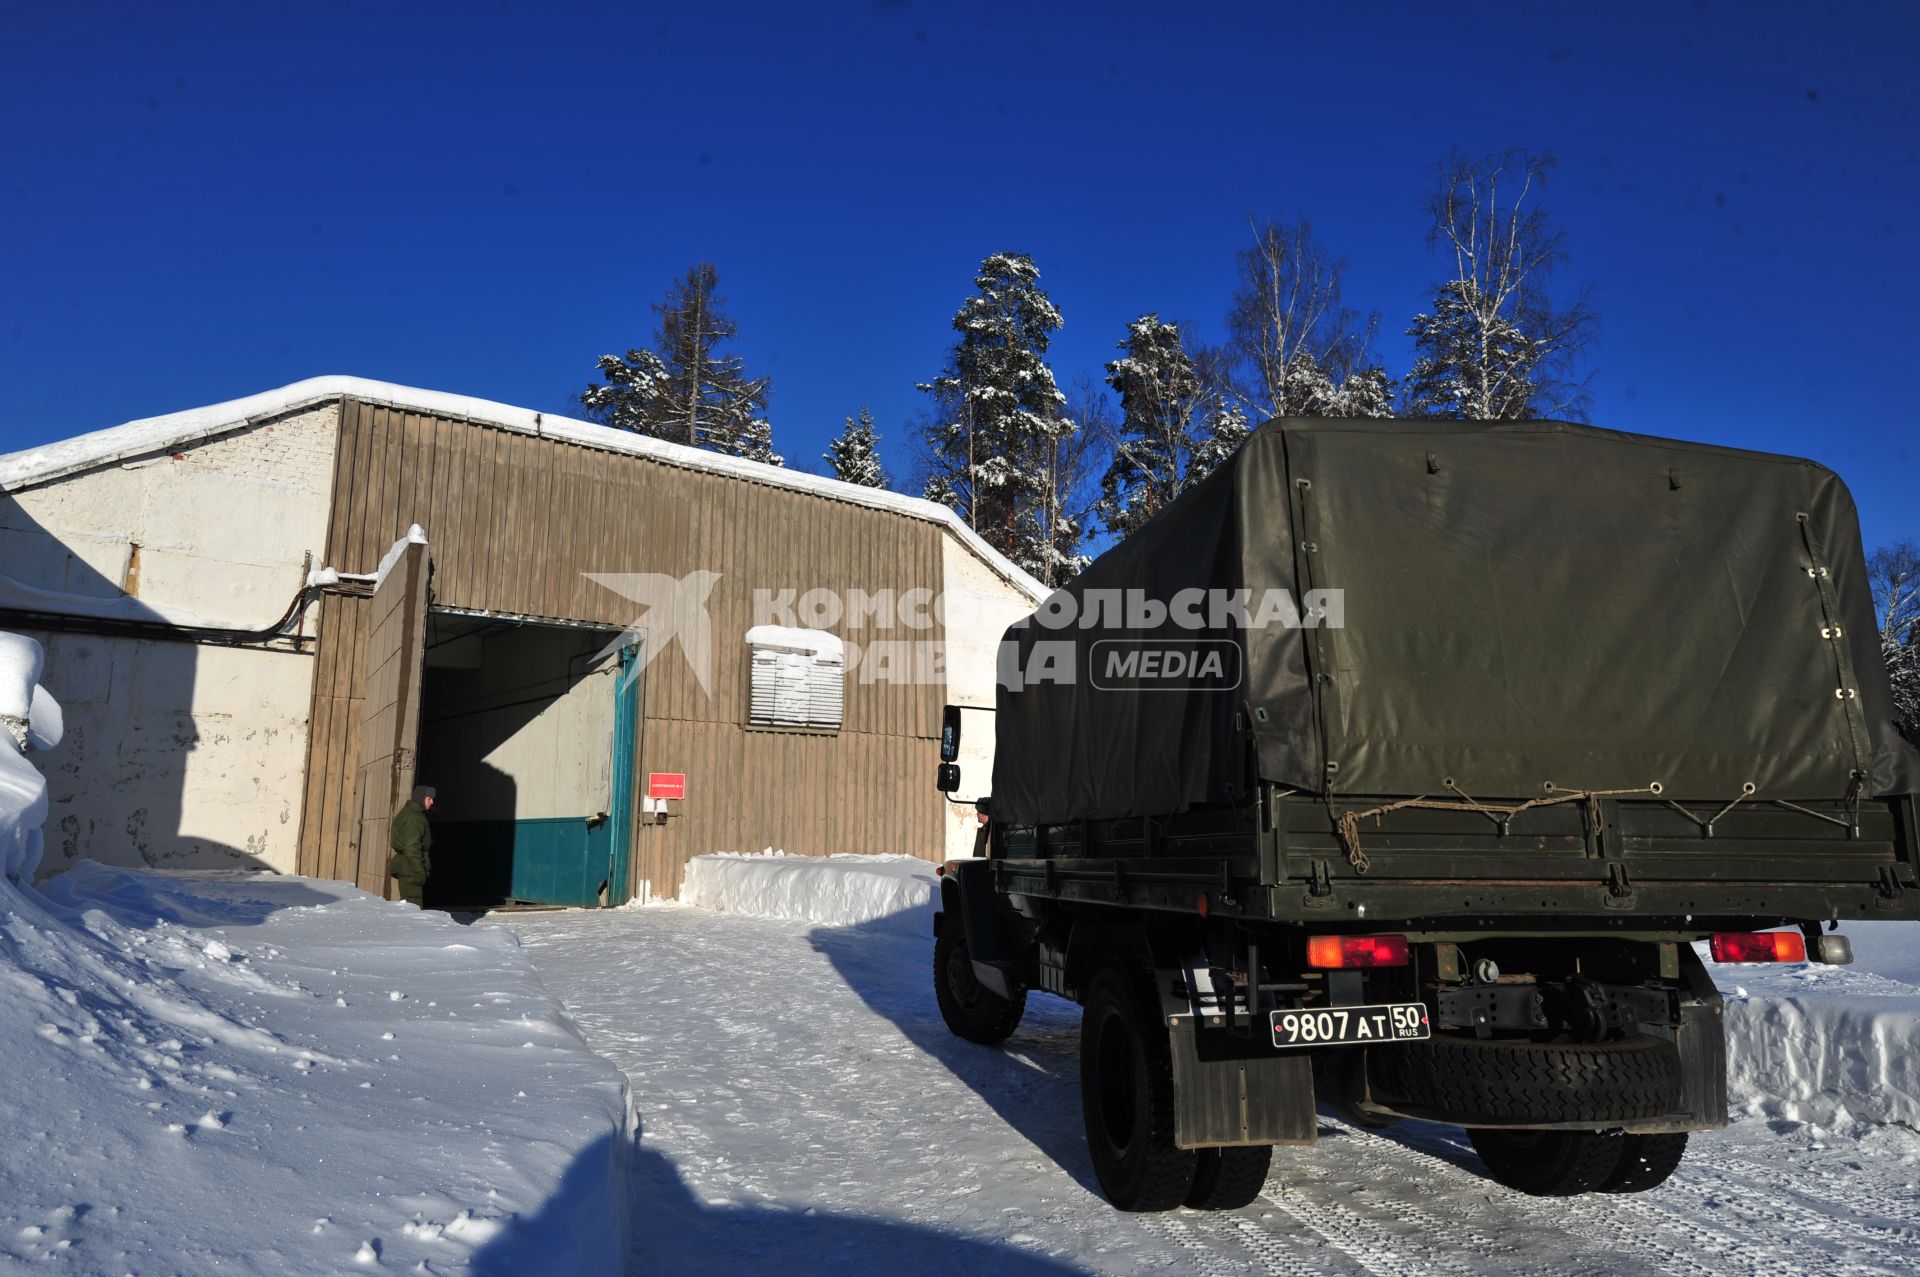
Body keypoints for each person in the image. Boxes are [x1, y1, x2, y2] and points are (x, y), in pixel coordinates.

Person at [388, 785, 435, 907]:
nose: (432, 802)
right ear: (421, 798)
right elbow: (411, 847)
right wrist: (419, 870)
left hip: (407, 867)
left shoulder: (409, 813)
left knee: (408, 904)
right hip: (411, 869)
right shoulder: (414, 818)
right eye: (429, 798)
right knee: (413, 907)